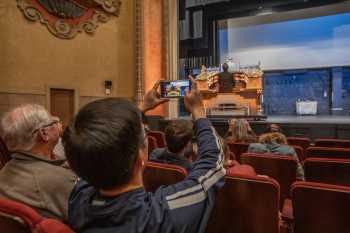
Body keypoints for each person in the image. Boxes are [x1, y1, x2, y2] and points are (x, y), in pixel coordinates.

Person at [62, 78, 225, 233]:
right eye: (145, 133)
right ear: (140, 157)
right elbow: (212, 163)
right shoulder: (160, 216)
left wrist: (141, 108)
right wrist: (198, 111)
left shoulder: (78, 200)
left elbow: (92, 154)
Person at [0, 104, 77, 221]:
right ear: (44, 133)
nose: (59, 123)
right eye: (54, 121)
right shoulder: (61, 181)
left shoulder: (5, 169)